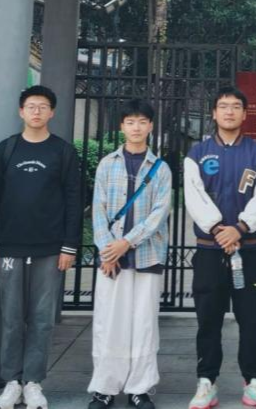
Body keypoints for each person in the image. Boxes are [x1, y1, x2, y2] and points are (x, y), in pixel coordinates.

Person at [0, 85, 83, 409]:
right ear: (21, 111)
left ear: (52, 112)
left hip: (50, 249)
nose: (36, 112)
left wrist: (69, 246)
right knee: (12, 318)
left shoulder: (63, 152)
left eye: (42, 106)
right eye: (31, 106)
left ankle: (34, 382)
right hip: (9, 246)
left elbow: (74, 200)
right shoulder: (6, 149)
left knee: (41, 318)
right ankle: (11, 381)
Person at [183, 86, 256, 409]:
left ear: (244, 113)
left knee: (251, 319)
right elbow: (194, 196)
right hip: (209, 250)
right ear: (213, 113)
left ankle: (254, 382)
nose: (229, 111)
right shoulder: (197, 154)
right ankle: (206, 382)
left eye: (235, 106)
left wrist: (238, 229)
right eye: (223, 106)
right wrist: (217, 230)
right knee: (208, 319)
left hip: (250, 249)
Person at [87, 99, 173, 409]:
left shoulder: (161, 169)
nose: (136, 127)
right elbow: (97, 209)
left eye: (142, 122)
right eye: (130, 122)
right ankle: (105, 387)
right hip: (113, 258)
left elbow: (160, 213)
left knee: (144, 322)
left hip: (147, 254)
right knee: (109, 321)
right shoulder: (107, 164)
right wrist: (108, 249)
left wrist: (128, 242)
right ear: (122, 126)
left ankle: (140, 388)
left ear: (150, 126)